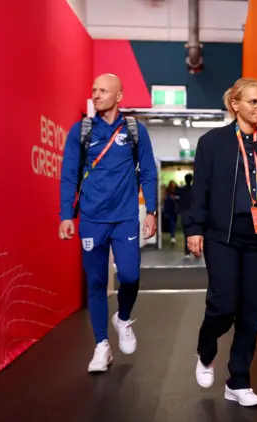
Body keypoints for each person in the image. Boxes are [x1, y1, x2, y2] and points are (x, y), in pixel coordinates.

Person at [184, 78, 257, 407]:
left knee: (251, 310)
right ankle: (206, 350)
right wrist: (194, 228)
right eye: (253, 102)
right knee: (223, 304)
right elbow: (200, 189)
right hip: (223, 236)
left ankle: (239, 380)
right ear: (235, 104)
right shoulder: (212, 142)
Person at [58, 73, 158, 373]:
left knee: (129, 276)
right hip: (91, 219)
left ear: (119, 96)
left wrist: (151, 211)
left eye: (103, 90)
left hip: (126, 217)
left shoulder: (135, 131)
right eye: (94, 90)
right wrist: (66, 215)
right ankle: (102, 345)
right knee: (97, 282)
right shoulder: (82, 131)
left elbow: (148, 173)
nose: (97, 95)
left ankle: (123, 317)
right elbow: (69, 176)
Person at [177, 173, 194, 257]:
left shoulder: (181, 190)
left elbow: (178, 201)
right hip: (193, 213)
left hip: (184, 213)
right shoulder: (194, 190)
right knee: (194, 232)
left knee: (186, 233)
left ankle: (187, 251)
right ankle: (195, 249)